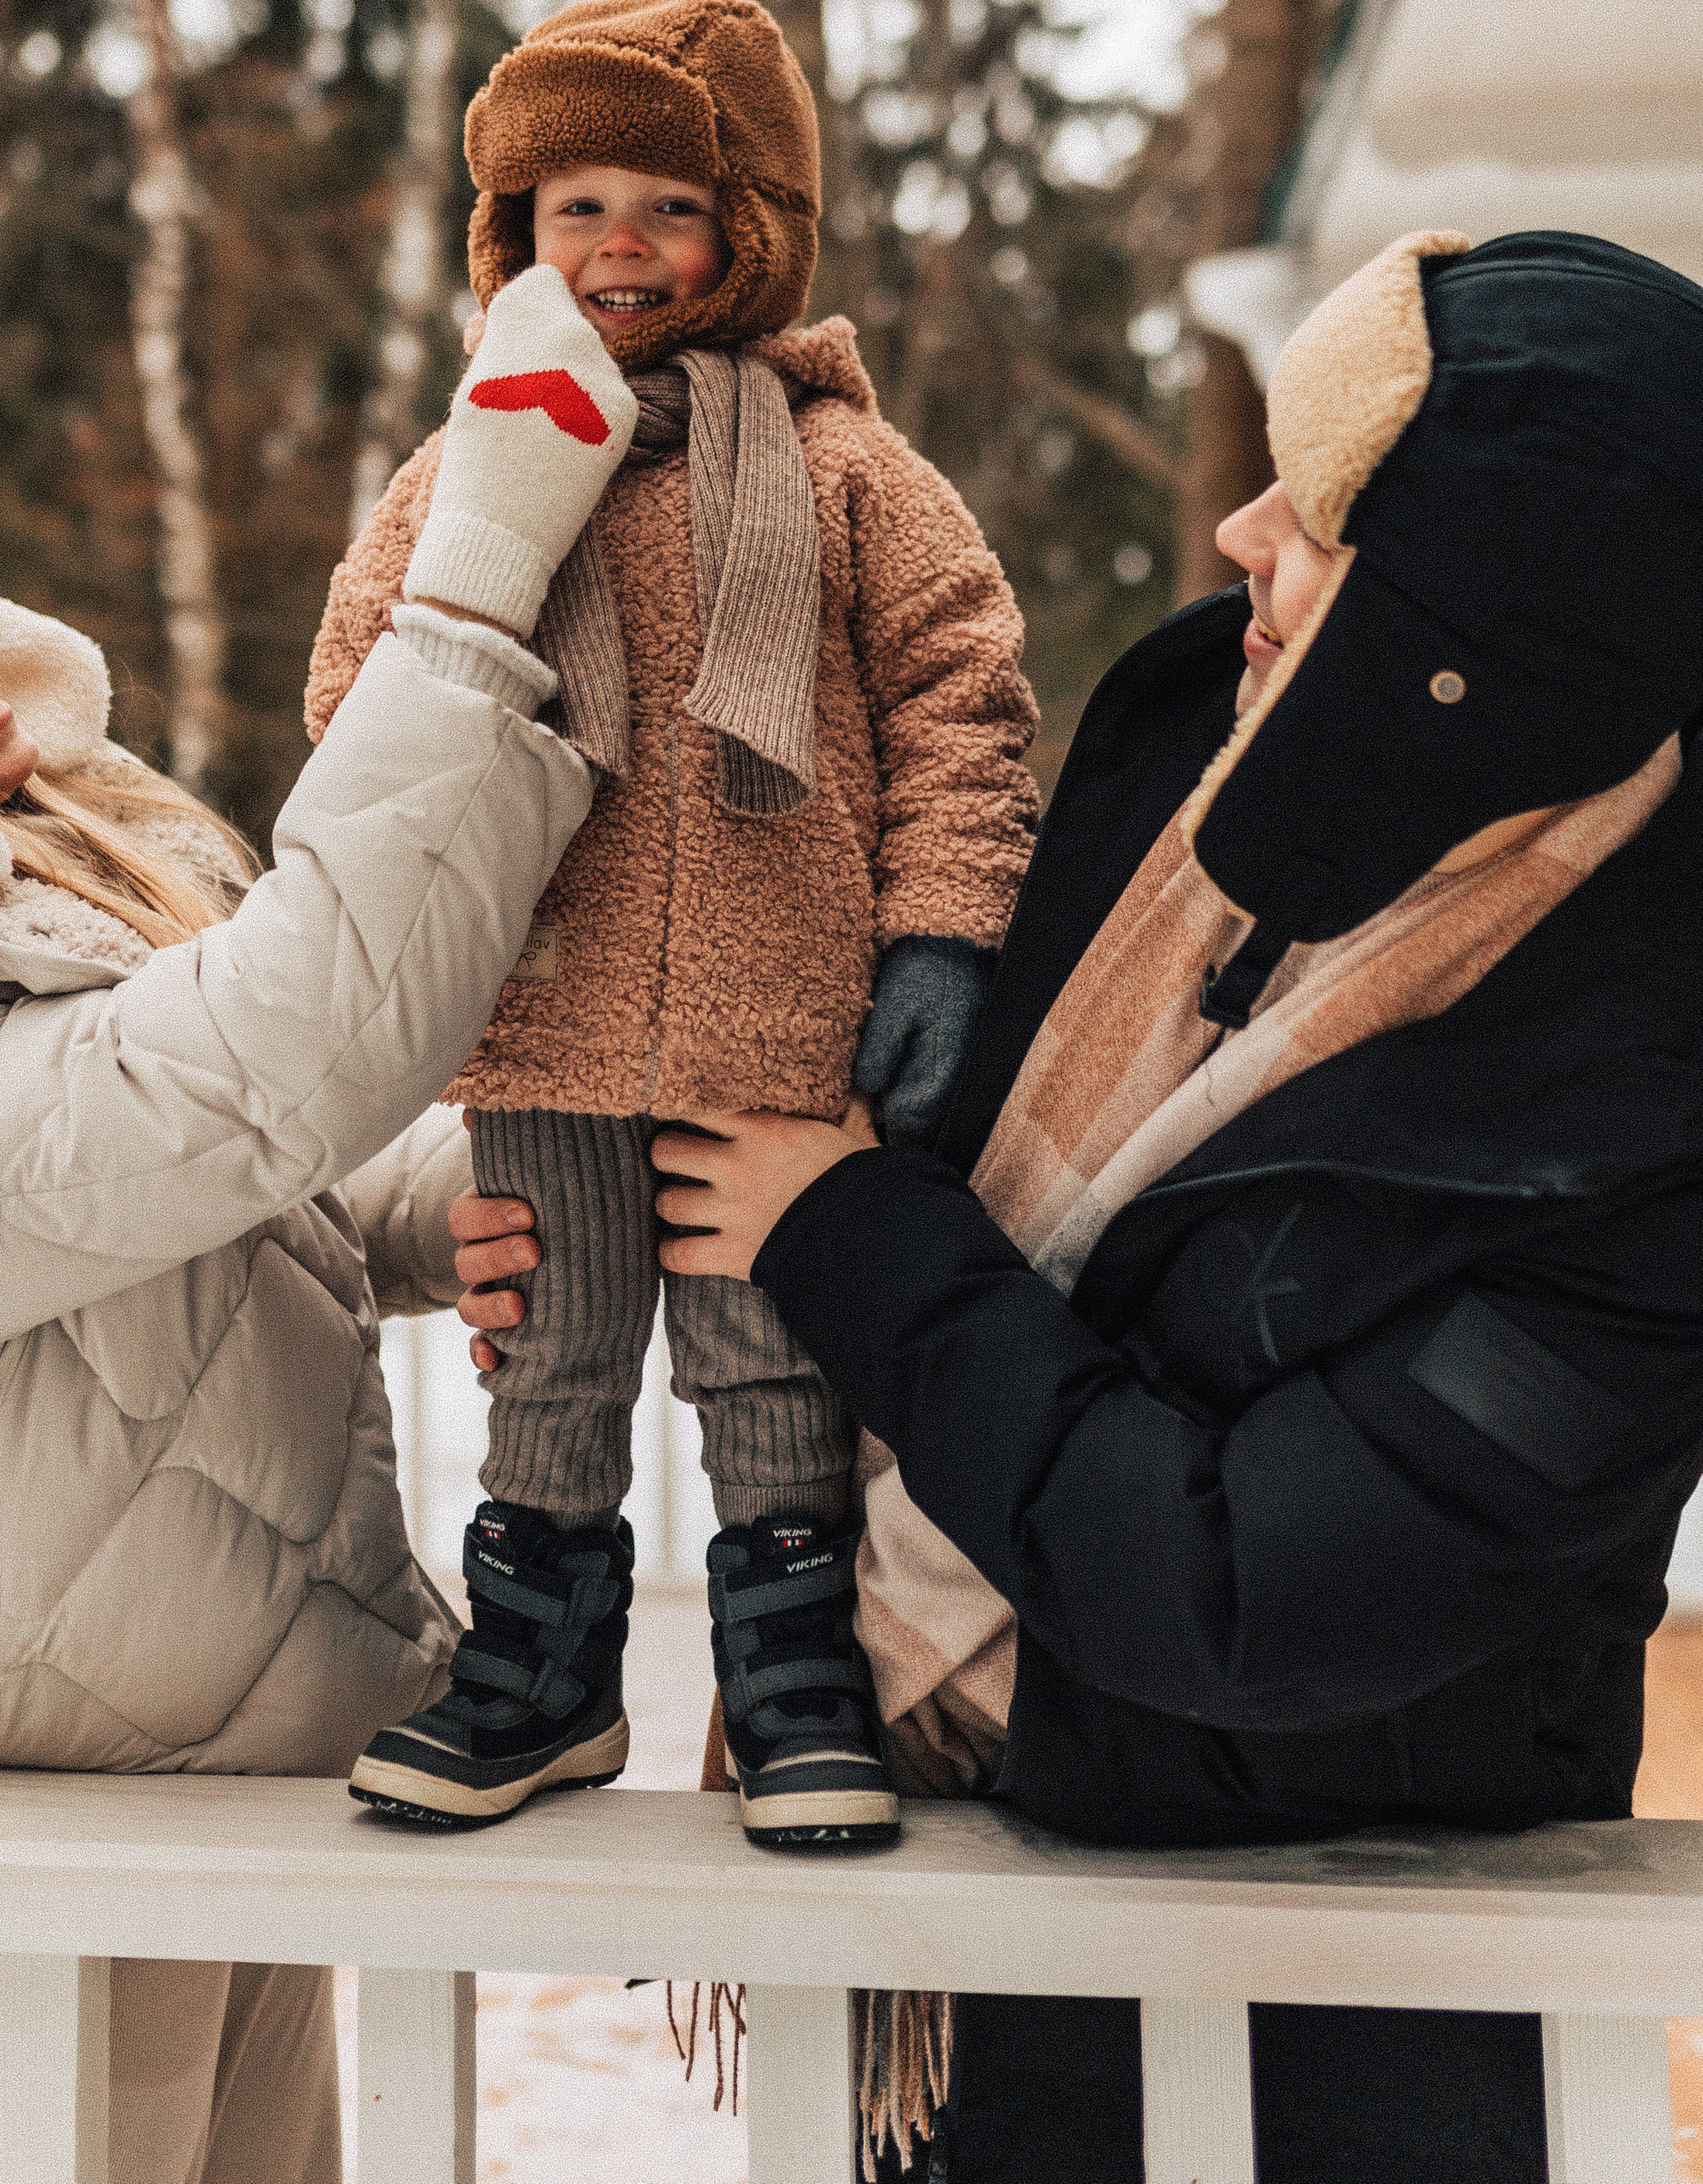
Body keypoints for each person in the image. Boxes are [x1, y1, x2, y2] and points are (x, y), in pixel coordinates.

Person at [579, 227, 1703, 2181]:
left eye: (1327, 517)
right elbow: (922, 1081)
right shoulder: (1212, 730)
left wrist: (843, 1235)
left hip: (1345, 2040)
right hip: (970, 1913)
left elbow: (1239, 1593)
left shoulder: (1638, 1139)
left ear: (1473, 644)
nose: (1236, 526)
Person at [0, 264, 633, 2183]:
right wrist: (471, 588)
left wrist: (442, 1210)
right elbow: (243, 1074)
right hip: (45, 1813)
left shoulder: (27, 903)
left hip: (231, 1748)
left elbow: (217, 1192)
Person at [306, 0, 1040, 1847]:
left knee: (764, 1352)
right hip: (541, 1012)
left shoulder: (840, 468)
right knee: (547, 1343)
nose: (619, 247)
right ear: (512, 241)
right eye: (574, 209)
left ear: (752, 240)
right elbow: (363, 696)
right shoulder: (474, 461)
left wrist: (942, 933)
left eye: (667, 207)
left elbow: (962, 698)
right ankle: (537, 1669)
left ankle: (791, 1673)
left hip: (776, 1026)